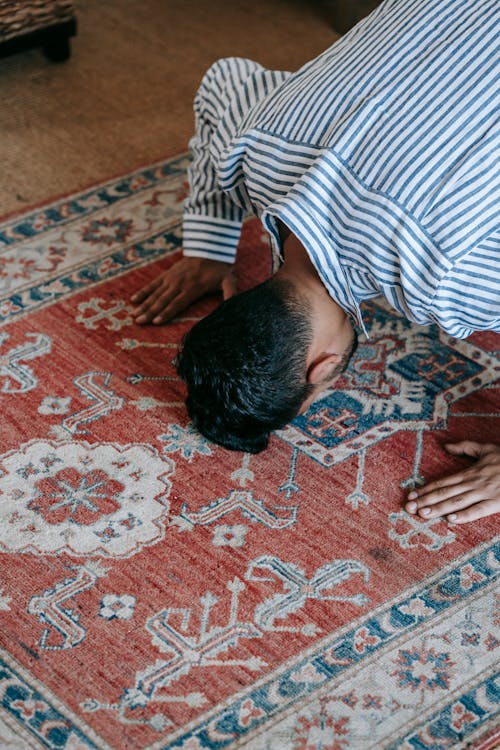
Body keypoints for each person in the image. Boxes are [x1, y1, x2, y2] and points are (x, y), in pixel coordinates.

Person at [131, 0, 500, 524]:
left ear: (323, 369)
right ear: (239, 296)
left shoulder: (446, 283)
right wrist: (209, 244)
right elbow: (225, 80)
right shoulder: (248, 153)